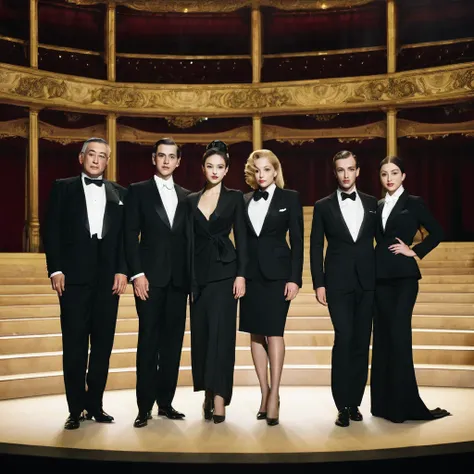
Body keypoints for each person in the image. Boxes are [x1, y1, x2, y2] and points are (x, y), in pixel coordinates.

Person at [42, 137, 128, 430]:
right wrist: (56, 269)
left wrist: (122, 270)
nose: (96, 160)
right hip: (73, 279)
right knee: (75, 345)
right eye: (91, 154)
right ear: (81, 158)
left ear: (107, 161)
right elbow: (51, 230)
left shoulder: (120, 193)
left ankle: (96, 405)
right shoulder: (62, 187)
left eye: (102, 156)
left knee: (103, 345)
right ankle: (75, 408)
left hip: (109, 280)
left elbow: (124, 240)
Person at [370, 155, 451, 423]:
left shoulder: (414, 203)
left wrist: (414, 251)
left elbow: (437, 231)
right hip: (379, 279)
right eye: (384, 174)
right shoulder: (378, 204)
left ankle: (403, 406)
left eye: (394, 173)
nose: (389, 178)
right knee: (382, 339)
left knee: (398, 337)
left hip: (404, 280)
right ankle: (384, 404)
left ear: (403, 176)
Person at [124, 137, 191, 428]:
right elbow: (129, 237)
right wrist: (137, 275)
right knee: (148, 343)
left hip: (179, 282)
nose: (166, 161)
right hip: (149, 281)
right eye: (161, 155)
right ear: (154, 158)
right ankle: (144, 407)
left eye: (171, 156)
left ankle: (166, 403)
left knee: (173, 344)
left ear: (178, 161)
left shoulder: (188, 196)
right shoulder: (137, 191)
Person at [310, 150, 377, 428]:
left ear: (358, 171)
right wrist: (319, 283)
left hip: (368, 282)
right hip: (337, 283)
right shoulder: (323, 206)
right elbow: (315, 247)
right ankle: (341, 405)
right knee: (344, 339)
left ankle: (355, 403)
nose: (346, 175)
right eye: (341, 170)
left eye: (350, 169)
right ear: (335, 172)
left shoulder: (374, 203)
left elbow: (382, 241)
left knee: (362, 343)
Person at [239, 149, 303, 427]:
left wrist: (295, 278)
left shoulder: (290, 198)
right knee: (255, 333)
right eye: (257, 170)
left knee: (274, 332)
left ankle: (275, 394)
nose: (262, 175)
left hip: (278, 275)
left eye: (266, 169)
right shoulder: (243, 200)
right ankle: (264, 392)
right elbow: (241, 242)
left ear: (275, 171)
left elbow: (298, 241)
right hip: (251, 276)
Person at [187, 140, 247, 424]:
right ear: (203, 168)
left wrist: (241, 274)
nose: (214, 171)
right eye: (210, 166)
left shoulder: (236, 197)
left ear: (227, 170)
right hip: (199, 276)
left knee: (222, 338)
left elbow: (243, 240)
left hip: (226, 273)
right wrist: (190, 280)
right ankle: (208, 394)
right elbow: (187, 243)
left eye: (220, 167)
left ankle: (221, 399)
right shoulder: (190, 200)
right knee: (202, 337)